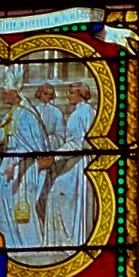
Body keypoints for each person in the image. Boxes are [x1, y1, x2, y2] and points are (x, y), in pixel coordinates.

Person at [0, 85, 53, 252]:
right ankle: (7, 244)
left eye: (5, 93)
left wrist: (13, 162)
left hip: (24, 168)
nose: (2, 96)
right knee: (0, 200)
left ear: (15, 94)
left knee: (22, 208)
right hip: (11, 164)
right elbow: (0, 134)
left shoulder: (26, 115)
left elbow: (31, 146)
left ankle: (29, 247)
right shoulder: (13, 113)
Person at [45, 82, 96, 250]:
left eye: (72, 93)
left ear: (81, 94)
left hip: (78, 163)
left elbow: (76, 144)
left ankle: (66, 244)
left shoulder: (78, 115)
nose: (68, 95)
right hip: (84, 162)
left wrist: (54, 157)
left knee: (56, 196)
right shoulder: (90, 111)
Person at [31, 84, 64, 149]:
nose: (48, 96)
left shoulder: (56, 112)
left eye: (50, 94)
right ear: (40, 94)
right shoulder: (33, 111)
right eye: (45, 94)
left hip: (51, 145)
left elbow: (60, 132)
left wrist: (50, 140)